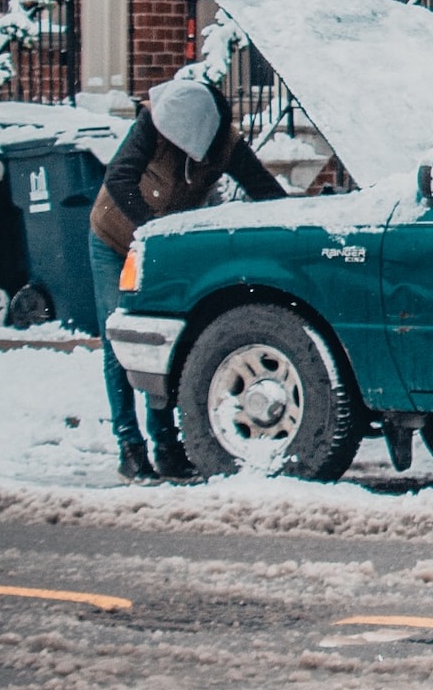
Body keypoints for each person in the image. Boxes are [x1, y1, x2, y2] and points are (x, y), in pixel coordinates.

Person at [89, 78, 287, 480]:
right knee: (122, 344)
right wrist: (151, 229)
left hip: (165, 249)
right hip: (115, 240)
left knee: (164, 342)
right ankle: (130, 446)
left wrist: (293, 223)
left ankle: (167, 447)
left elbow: (264, 189)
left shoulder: (224, 144)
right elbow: (119, 178)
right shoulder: (151, 123)